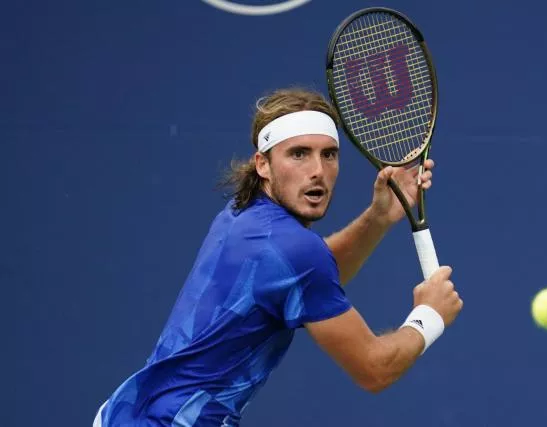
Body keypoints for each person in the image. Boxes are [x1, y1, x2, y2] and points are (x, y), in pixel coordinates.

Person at [93, 88, 463, 426]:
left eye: (328, 154)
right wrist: (428, 316)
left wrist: (378, 218)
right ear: (263, 164)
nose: (317, 170)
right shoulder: (293, 251)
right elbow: (374, 369)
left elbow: (308, 279)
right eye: (298, 154)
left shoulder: (242, 216)